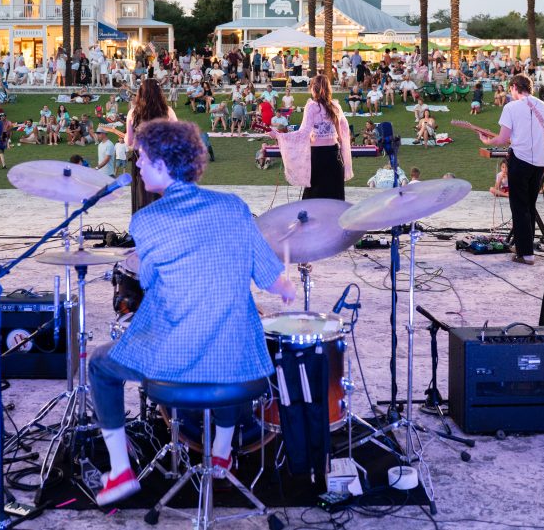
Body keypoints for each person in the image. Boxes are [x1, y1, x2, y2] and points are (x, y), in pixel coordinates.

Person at [88, 119, 295, 505]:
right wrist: (286, 288)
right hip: (241, 371)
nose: (137, 166)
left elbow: (147, 280)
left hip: (173, 367)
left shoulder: (146, 220)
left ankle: (119, 472)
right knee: (228, 338)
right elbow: (272, 279)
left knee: (100, 364)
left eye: (143, 159)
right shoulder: (234, 207)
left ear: (164, 167)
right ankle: (221, 452)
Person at [479, 74, 544, 265]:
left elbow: (502, 139)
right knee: (529, 205)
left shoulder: (511, 107)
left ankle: (525, 253)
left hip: (520, 160)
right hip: (539, 163)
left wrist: (487, 141)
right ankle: (525, 247)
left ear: (513, 87)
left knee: (519, 207)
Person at [273, 74, 353, 200]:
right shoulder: (335, 106)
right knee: (334, 196)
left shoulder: (312, 106)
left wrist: (279, 136)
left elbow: (303, 133)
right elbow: (343, 132)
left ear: (314, 89)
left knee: (314, 196)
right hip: (334, 157)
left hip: (317, 156)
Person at [125, 79, 177, 214]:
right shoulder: (168, 111)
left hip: (142, 161)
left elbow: (130, 142)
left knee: (143, 198)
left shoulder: (133, 113)